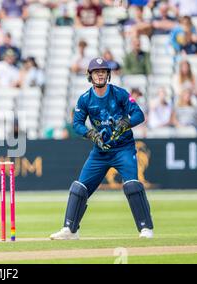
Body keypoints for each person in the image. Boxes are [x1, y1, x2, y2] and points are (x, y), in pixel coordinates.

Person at [49, 58, 154, 240]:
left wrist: (126, 123)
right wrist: (91, 134)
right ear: (90, 76)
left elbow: (139, 114)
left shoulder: (119, 93)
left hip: (123, 148)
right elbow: (77, 124)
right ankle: (70, 230)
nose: (100, 74)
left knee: (131, 185)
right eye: (96, 72)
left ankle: (146, 228)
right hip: (100, 151)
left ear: (108, 75)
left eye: (103, 71)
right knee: (79, 188)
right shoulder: (84, 99)